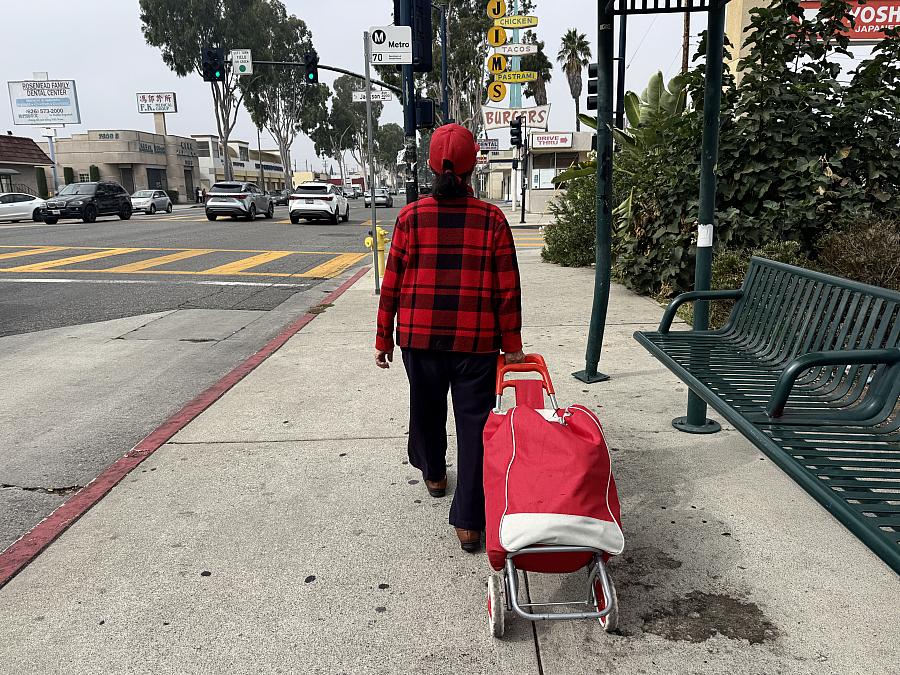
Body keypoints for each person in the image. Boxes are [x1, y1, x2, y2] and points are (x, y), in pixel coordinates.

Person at [374, 123, 524, 553]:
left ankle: (435, 473)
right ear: (473, 165)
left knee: (425, 407)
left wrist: (384, 337)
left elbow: (393, 283)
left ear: (429, 164)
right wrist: (511, 343)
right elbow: (506, 288)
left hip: (419, 339)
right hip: (476, 343)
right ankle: (469, 521)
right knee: (475, 427)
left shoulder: (410, 217)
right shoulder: (492, 219)